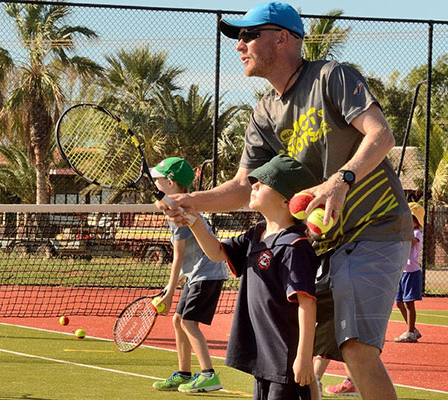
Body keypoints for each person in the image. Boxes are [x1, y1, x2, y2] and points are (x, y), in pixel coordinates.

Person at [159, 3, 414, 398]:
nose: (240, 45)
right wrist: (192, 201)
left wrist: (341, 181)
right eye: (238, 37)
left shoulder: (332, 77)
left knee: (356, 346)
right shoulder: (263, 113)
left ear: (282, 38)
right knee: (304, 352)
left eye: (248, 35)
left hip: (375, 229)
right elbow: (244, 186)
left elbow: (380, 135)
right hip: (325, 243)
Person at [183, 154, 318, 399]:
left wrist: (303, 357)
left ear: (287, 200)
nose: (253, 185)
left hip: (285, 361)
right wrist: (192, 219)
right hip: (263, 358)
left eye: (264, 182)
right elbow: (216, 252)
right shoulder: (256, 235)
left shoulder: (294, 246)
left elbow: (307, 304)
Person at [147, 157, 229, 394]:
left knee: (187, 322)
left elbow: (179, 257)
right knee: (177, 320)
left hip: (208, 274)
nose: (155, 186)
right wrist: (174, 285)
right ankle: (184, 373)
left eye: (158, 181)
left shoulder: (178, 214)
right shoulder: (175, 209)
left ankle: (208, 375)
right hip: (199, 274)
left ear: (170, 183)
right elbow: (190, 257)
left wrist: (170, 291)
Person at [394, 202, 426, 343]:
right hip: (402, 271)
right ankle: (412, 328)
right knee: (399, 302)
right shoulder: (404, 233)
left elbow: (409, 242)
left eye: (411, 218)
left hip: (411, 272)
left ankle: (410, 332)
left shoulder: (416, 233)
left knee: (409, 303)